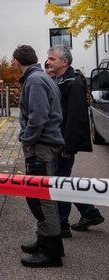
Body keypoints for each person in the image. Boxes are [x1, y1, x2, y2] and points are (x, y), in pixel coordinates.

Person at [12, 44, 66, 268]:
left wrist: (27, 140)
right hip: (44, 144)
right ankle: (44, 240)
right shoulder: (44, 78)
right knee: (39, 196)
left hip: (40, 146)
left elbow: (38, 117)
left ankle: (50, 252)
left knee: (41, 198)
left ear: (17, 63)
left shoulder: (34, 80)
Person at [45, 45, 105, 235]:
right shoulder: (61, 80)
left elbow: (76, 118)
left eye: (52, 59)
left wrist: (68, 146)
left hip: (63, 143)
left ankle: (62, 226)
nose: (48, 61)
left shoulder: (73, 83)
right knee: (63, 180)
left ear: (65, 62)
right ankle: (90, 212)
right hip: (59, 141)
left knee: (59, 182)